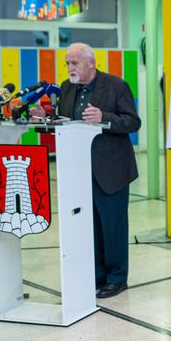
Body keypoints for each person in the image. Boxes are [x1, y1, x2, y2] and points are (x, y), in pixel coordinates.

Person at [55, 42, 142, 299]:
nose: (70, 68)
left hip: (111, 170)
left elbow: (133, 122)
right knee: (89, 226)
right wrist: (46, 116)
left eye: (75, 63)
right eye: (68, 63)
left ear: (90, 63)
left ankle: (117, 279)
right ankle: (97, 275)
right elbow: (66, 120)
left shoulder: (116, 85)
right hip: (80, 169)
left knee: (112, 227)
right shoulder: (66, 87)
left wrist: (104, 117)